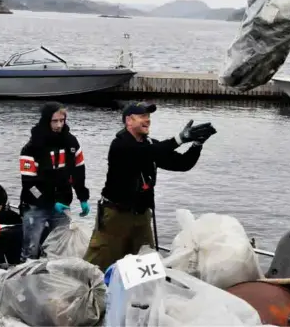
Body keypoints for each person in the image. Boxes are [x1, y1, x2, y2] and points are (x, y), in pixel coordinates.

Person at [83, 102, 216, 272]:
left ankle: (139, 297)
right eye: (142, 116)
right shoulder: (120, 145)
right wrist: (180, 138)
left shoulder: (151, 144)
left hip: (142, 216)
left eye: (148, 117)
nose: (147, 120)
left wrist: (197, 144)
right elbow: (145, 154)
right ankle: (85, 294)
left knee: (145, 266)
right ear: (128, 121)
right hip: (115, 216)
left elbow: (182, 164)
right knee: (98, 265)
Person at [19, 102, 90, 261]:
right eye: (55, 121)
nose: (59, 125)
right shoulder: (31, 148)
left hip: (62, 205)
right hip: (36, 206)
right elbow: (29, 185)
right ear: (46, 121)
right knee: (30, 249)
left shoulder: (71, 143)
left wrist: (83, 197)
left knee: (61, 250)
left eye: (62, 120)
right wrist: (50, 201)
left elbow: (79, 172)